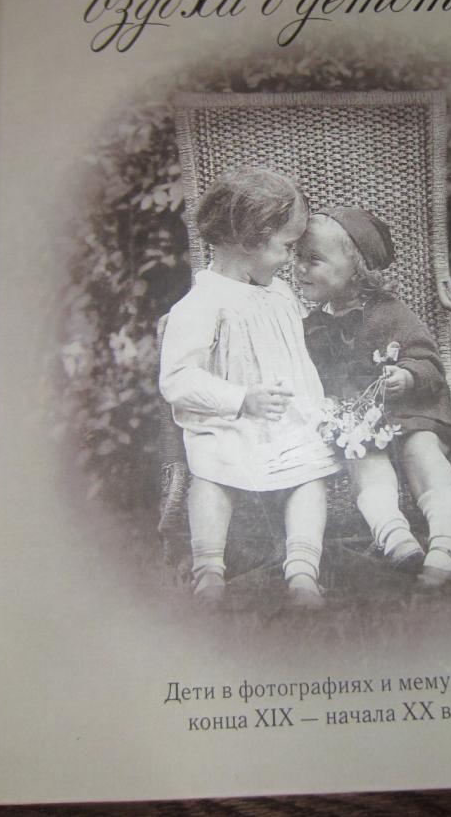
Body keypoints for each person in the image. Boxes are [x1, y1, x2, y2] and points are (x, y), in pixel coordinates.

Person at [159, 167, 339, 608]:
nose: (291, 260)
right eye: (286, 246)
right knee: (211, 476)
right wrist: (240, 399)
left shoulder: (279, 294)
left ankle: (302, 570)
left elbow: (301, 351)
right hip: (228, 421)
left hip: (286, 422)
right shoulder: (201, 305)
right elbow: (178, 378)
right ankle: (208, 572)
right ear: (249, 238)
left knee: (311, 478)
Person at [296, 207, 451, 588]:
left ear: (356, 268)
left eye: (313, 259)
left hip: (412, 413)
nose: (299, 268)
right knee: (362, 460)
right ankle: (395, 537)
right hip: (361, 427)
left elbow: (430, 363)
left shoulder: (392, 314)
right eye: (297, 257)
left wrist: (407, 375)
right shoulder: (312, 325)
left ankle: (447, 540)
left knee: (422, 450)